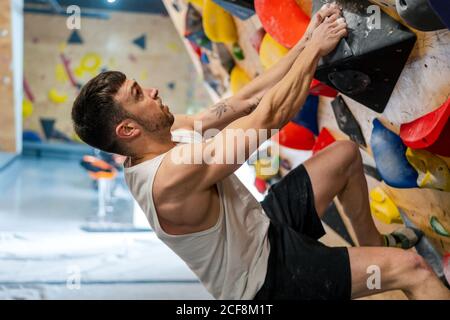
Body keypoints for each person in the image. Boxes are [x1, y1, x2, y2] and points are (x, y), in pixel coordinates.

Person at [71, 3, 450, 300]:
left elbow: (247, 99)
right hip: (268, 282)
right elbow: (271, 115)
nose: (152, 91)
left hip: (263, 228)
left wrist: (306, 40)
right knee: (413, 269)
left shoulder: (161, 133)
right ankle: (391, 268)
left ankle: (371, 244)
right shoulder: (170, 179)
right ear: (127, 129)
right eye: (139, 95)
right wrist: (315, 51)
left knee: (345, 156)